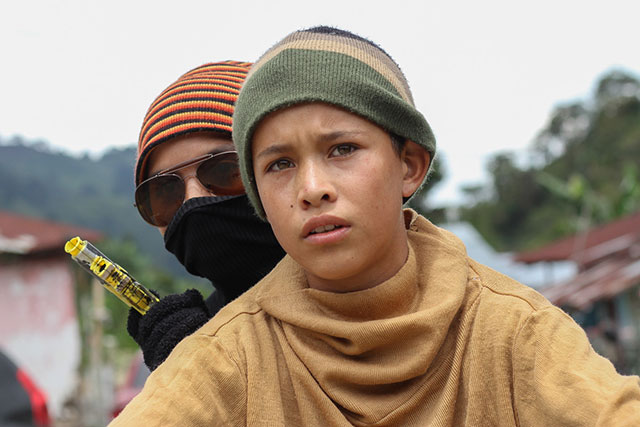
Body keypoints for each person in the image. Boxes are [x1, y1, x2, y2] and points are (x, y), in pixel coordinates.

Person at [112, 27, 640, 426]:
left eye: (342, 149)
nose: (312, 187)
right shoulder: (221, 359)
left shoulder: (512, 333)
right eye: (279, 164)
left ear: (409, 165)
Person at [127, 61, 285, 370]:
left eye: (225, 170)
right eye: (164, 192)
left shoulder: (379, 289)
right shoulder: (192, 334)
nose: (194, 201)